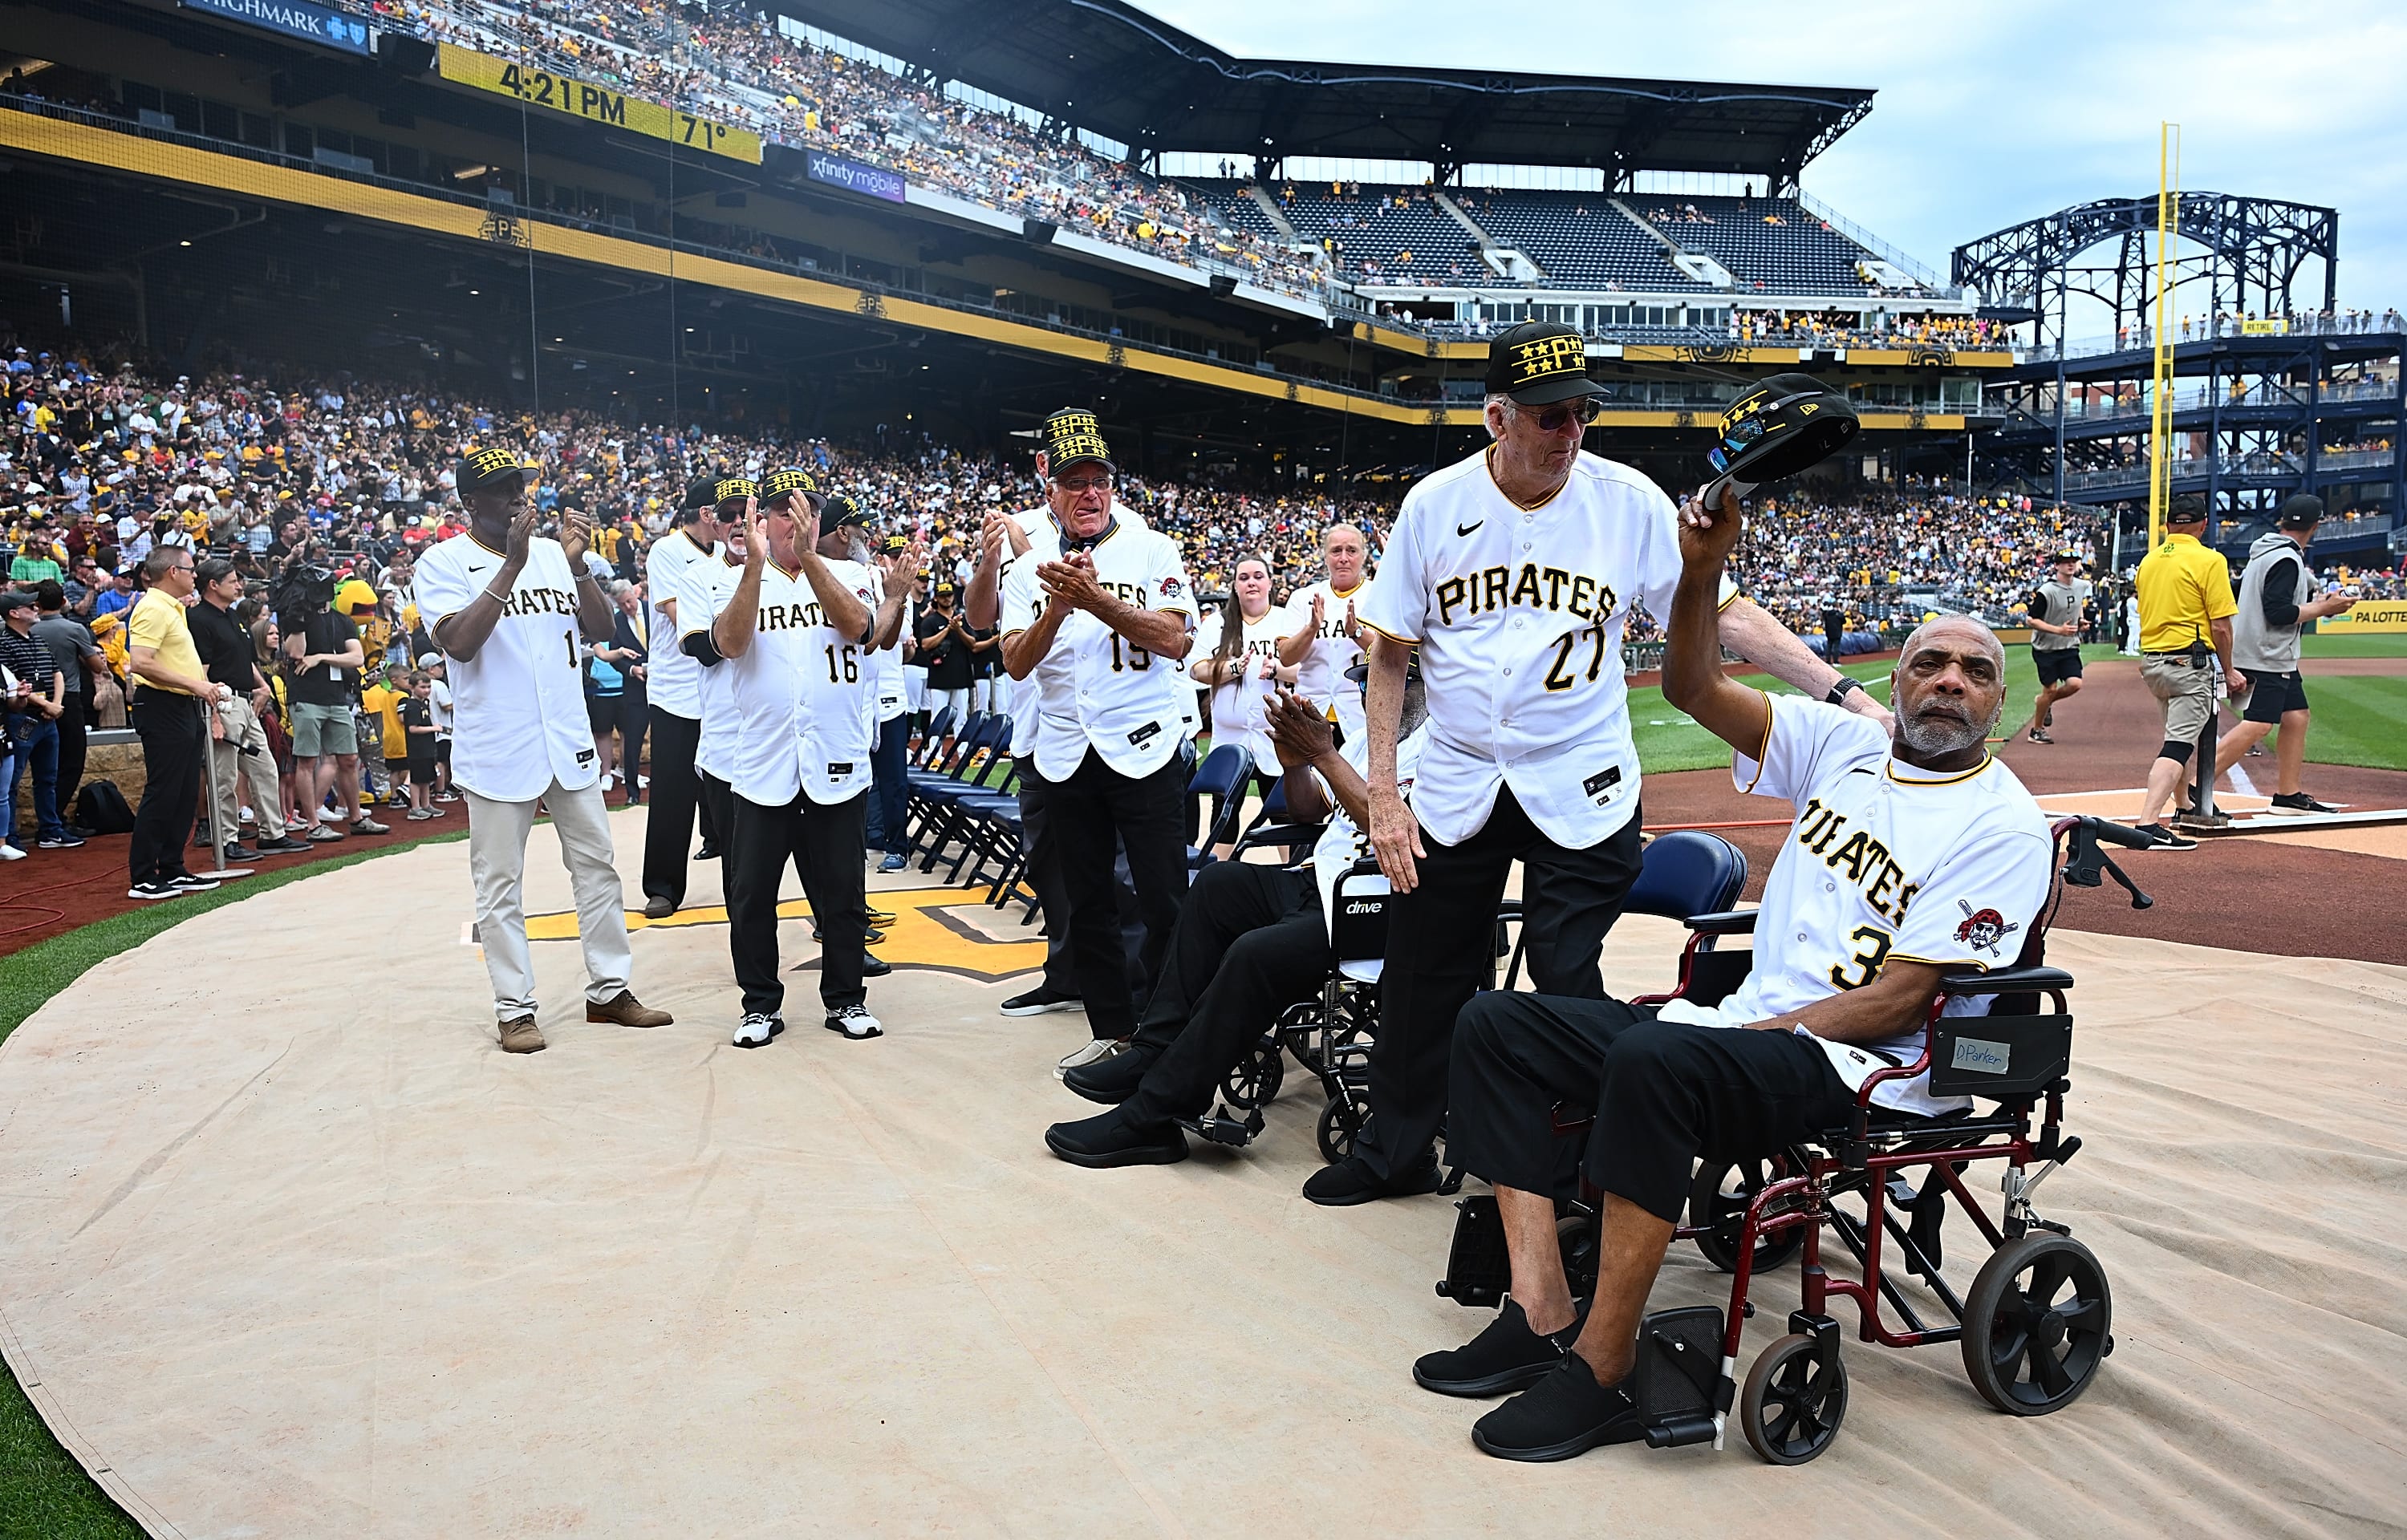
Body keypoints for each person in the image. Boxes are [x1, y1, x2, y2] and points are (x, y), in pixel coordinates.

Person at [1416, 494, 2053, 1463]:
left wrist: (1742, 1035)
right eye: (1930, 662)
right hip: (1749, 1030)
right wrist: (1703, 569)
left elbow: (1899, 1001)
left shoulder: (2001, 824)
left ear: (1997, 705)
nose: (1950, 682)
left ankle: (1603, 1369)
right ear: (1897, 678)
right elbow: (1690, 687)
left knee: (1658, 1062)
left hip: (1858, 1063)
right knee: (1498, 1023)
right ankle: (1539, 1309)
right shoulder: (1843, 746)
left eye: (1975, 671)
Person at [1326, 321, 1889, 1208]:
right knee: (1423, 968)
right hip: (1460, 777)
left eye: (1581, 412)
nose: (1570, 432)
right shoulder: (1436, 503)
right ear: (1495, 417)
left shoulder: (1626, 502)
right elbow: (1390, 653)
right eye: (1548, 417)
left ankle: (1573, 1168)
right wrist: (1385, 797)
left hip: (1580, 777)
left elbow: (1729, 617)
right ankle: (1394, 1149)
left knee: (1564, 972)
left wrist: (1845, 695)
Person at [1045, 676, 1427, 1166]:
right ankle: (1153, 1049)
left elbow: (1393, 829)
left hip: (1378, 905)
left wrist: (1326, 757)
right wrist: (1296, 763)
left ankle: (1153, 1116)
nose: (1373, 690)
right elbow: (1311, 811)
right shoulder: (1375, 737)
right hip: (1322, 880)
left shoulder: (1445, 747)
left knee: (1255, 953)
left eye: (1386, 681)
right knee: (1216, 884)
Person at [412, 448, 672, 1054]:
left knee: (598, 868)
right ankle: (515, 1007)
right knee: (501, 884)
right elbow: (460, 644)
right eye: (502, 491)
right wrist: (513, 566)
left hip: (567, 737)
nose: (517, 499)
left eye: (521, 487)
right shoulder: (443, 561)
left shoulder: (555, 555)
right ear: (470, 502)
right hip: (499, 744)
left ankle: (610, 991)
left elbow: (603, 630)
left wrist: (577, 567)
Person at [998, 410, 1199, 1073]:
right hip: (1064, 754)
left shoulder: (1152, 549)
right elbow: (1017, 663)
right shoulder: (1028, 573)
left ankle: (1174, 1034)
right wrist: (1058, 607)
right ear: (1050, 492)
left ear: (1112, 487)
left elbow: (1174, 639)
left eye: (1099, 481)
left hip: (1143, 749)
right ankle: (1112, 1030)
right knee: (1087, 902)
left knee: (1164, 898)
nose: (1089, 493)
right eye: (1073, 482)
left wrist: (1095, 600)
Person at [688, 471, 885, 1047]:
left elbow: (859, 627)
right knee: (752, 894)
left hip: (834, 759)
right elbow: (729, 644)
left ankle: (846, 999)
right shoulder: (730, 579)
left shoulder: (852, 573)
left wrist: (810, 559)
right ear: (759, 521)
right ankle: (759, 1005)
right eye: (781, 510)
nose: (795, 520)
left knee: (844, 893)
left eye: (807, 510)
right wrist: (754, 565)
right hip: (760, 761)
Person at [2215, 494, 2357, 814]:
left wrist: (2324, 606)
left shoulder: (2269, 551)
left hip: (2270, 652)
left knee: (2296, 717)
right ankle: (2198, 784)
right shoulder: (2286, 559)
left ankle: (2288, 795)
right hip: (2266, 654)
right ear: (2316, 525)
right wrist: (2324, 607)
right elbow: (2278, 613)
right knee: (2260, 724)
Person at [639, 477, 732, 919]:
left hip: (721, 694)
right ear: (705, 514)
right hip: (677, 692)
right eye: (725, 513)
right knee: (673, 794)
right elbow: (683, 619)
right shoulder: (668, 551)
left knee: (733, 794)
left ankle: (742, 886)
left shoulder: (729, 556)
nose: (734, 521)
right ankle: (663, 886)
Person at [2129, 495, 2237, 849]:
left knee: (2178, 738)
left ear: (2167, 526)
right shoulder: (2209, 559)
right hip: (2188, 662)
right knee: (2177, 746)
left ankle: (2185, 805)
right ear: (2203, 525)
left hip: (2154, 663)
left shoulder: (2148, 561)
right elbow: (2221, 626)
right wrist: (2230, 670)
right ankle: (2147, 822)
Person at [123, 547, 229, 899]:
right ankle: (143, 876)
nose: (194, 575)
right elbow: (140, 662)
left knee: (184, 792)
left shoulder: (172, 608)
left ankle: (171, 867)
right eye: (190, 569)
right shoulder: (152, 608)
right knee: (165, 789)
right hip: (162, 705)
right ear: (172, 572)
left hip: (183, 705)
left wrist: (201, 687)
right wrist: (197, 684)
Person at [188, 557, 305, 861]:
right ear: (213, 585)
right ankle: (227, 841)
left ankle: (272, 834)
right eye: (232, 581)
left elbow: (246, 660)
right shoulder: (199, 618)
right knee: (224, 776)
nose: (239, 585)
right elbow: (202, 671)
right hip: (222, 701)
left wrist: (263, 685)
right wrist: (213, 713)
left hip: (246, 701)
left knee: (265, 767)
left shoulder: (234, 617)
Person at [1191, 552, 1296, 853]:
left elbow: (1306, 669)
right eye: (1244, 577)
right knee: (1224, 812)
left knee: (1281, 812)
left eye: (1258, 576)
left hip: (1274, 735)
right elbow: (1196, 669)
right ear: (1234, 586)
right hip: (1229, 736)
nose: (1251, 583)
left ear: (1270, 583)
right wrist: (1232, 668)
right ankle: (1214, 877)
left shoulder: (1285, 620)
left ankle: (1288, 880)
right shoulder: (1217, 623)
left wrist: (1276, 669)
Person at [286, 565, 386, 844]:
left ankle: (355, 818)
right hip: (306, 697)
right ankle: (313, 823)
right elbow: (295, 653)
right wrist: (299, 615)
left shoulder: (342, 620)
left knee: (349, 759)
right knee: (306, 760)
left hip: (336, 697)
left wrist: (320, 658)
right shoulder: (297, 617)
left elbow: (357, 659)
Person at [1277, 523, 1372, 743]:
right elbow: (1287, 657)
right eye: (1336, 551)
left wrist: (1357, 632)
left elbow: (1393, 653)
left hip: (1363, 712)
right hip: (1311, 709)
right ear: (1325, 556)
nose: (1344, 558)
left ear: (1363, 556)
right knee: (1311, 777)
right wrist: (1311, 628)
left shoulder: (1377, 593)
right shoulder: (1303, 597)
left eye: (1352, 550)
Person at [0, 590, 71, 857]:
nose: (36, 608)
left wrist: (57, 704)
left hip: (47, 718)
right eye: (30, 606)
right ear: (14, 613)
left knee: (47, 778)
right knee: (11, 781)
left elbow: (57, 673)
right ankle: (9, 837)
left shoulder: (38, 639)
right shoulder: (4, 644)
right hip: (22, 718)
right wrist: (46, 705)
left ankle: (50, 829)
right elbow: (11, 687)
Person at [29, 580, 103, 837]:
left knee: (40, 766)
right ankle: (52, 820)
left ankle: (50, 821)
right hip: (67, 700)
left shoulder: (26, 628)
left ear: (36, 604)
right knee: (71, 761)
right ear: (63, 602)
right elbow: (97, 667)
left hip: (32, 701)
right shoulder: (74, 628)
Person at [865, 531, 916, 873]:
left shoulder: (903, 593)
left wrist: (894, 598)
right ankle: (870, 835)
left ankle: (898, 846)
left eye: (901, 557)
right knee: (860, 776)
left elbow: (893, 640)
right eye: (891, 555)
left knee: (893, 779)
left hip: (889, 696)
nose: (895, 562)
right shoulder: (856, 577)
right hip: (857, 696)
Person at [2019, 551, 2092, 745]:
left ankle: (2044, 702)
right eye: (2065, 563)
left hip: (2068, 645)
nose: (2070, 566)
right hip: (2046, 648)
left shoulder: (2080, 585)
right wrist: (2058, 630)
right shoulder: (2047, 590)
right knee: (2049, 689)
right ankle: (2036, 730)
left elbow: (2076, 605)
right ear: (2057, 566)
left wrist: (2080, 621)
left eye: (2073, 562)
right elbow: (2031, 620)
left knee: (2075, 684)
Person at [914, 582, 976, 744]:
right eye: (943, 596)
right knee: (938, 718)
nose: (947, 599)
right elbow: (926, 644)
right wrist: (948, 629)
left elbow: (973, 644)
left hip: (961, 674)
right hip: (939, 676)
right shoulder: (930, 621)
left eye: (949, 595)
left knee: (961, 718)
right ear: (936, 598)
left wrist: (958, 629)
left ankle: (962, 752)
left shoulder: (963, 618)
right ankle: (935, 755)